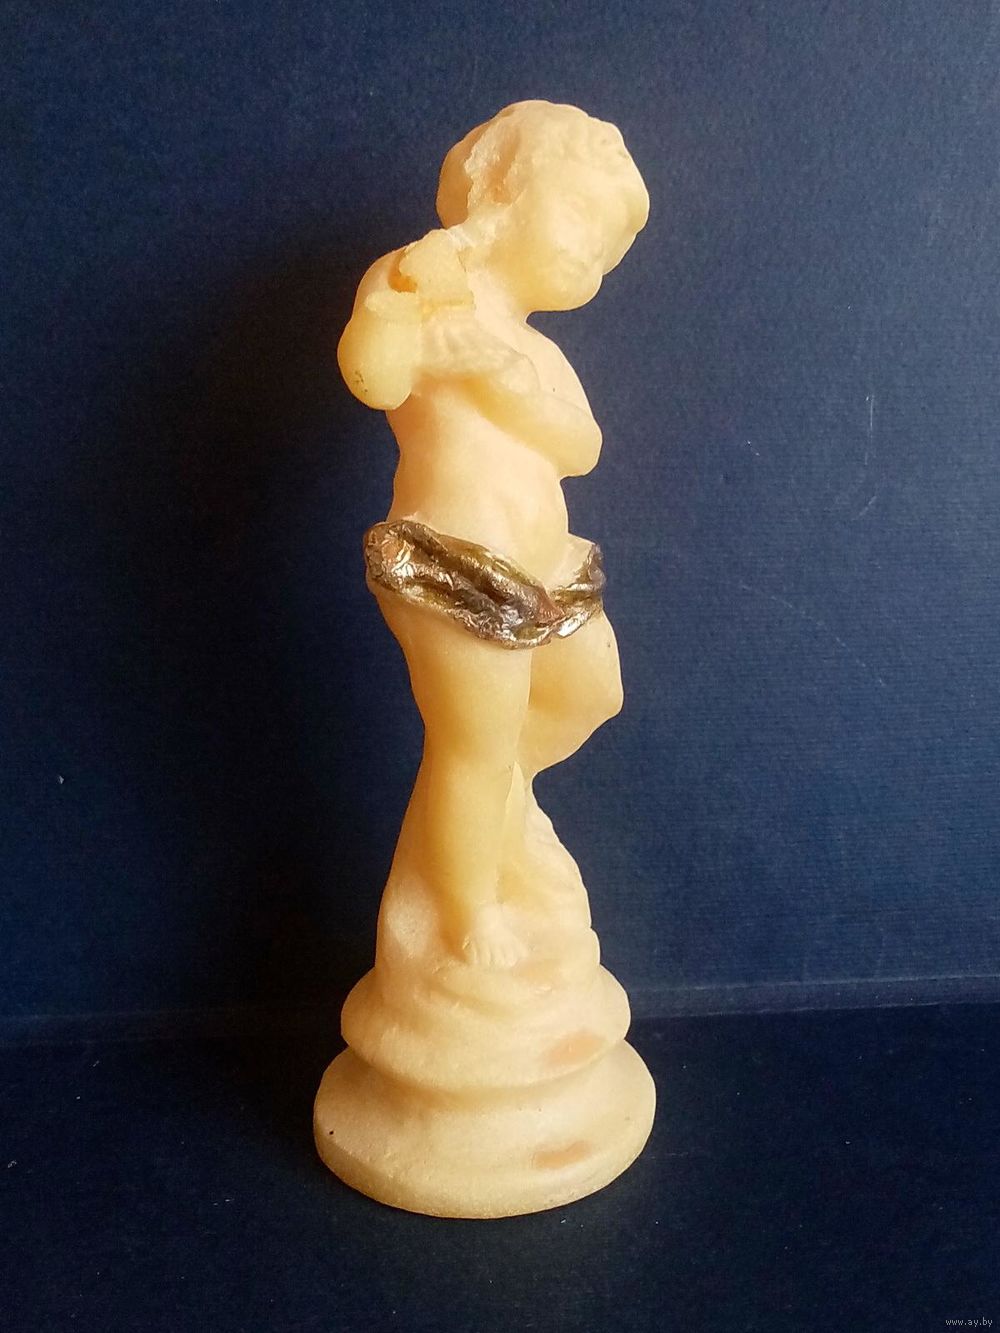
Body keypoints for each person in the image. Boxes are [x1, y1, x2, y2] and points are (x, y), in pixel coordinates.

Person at [338, 101, 649, 968]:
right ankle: (467, 912)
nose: (591, 256)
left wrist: (502, 374)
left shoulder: (533, 351)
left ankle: (496, 812)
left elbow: (583, 445)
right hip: (454, 562)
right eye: (582, 217)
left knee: (592, 690)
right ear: (501, 187)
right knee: (473, 743)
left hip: (545, 569)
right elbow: (372, 374)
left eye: (607, 251)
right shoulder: (424, 286)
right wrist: (397, 307)